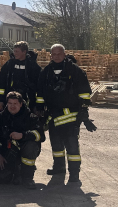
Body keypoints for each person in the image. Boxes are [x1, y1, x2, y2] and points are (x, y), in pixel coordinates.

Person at [36, 43, 94, 185]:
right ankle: (59, 168)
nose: (56, 56)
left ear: (64, 54)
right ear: (50, 55)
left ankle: (74, 174)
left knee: (72, 146)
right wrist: (39, 108)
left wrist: (84, 110)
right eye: (53, 54)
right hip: (53, 116)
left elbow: (85, 93)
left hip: (71, 116)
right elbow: (40, 93)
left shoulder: (75, 71)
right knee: (56, 145)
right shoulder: (46, 72)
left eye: (59, 54)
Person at [0, 91, 44, 188]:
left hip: (25, 149)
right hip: (9, 152)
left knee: (31, 146)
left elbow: (41, 135)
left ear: (21, 104)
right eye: (10, 103)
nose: (12, 106)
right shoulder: (0, 118)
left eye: (15, 103)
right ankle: (16, 171)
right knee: (2, 179)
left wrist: (23, 135)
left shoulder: (30, 117)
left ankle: (27, 178)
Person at [0, 41, 41, 112]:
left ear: (24, 52)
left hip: (28, 102)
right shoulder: (9, 65)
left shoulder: (33, 66)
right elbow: (1, 83)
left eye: (17, 51)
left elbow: (40, 87)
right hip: (10, 100)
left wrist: (37, 106)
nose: (14, 53)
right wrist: (1, 101)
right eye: (14, 51)